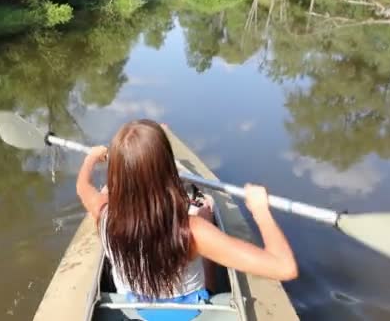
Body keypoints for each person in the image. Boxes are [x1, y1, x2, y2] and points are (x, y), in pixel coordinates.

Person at [76, 119, 298, 321]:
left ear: (117, 174)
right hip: (189, 311)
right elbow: (285, 267)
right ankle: (211, 290)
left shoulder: (102, 211)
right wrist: (261, 211)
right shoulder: (192, 231)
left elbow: (82, 187)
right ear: (168, 168)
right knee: (206, 208)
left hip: (133, 305)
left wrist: (91, 158)